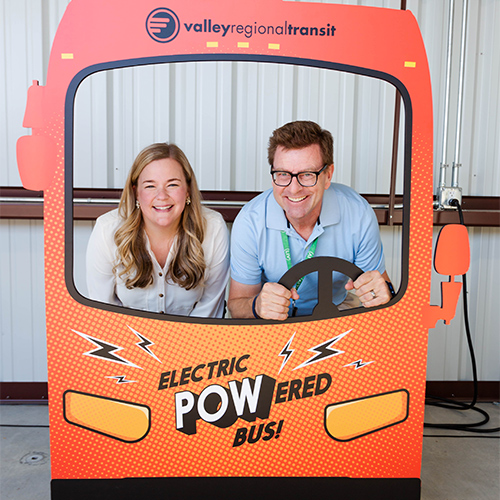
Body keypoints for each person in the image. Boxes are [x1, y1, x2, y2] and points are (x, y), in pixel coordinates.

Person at [228, 121, 394, 320]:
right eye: (282, 174)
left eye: (307, 175)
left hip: (336, 310)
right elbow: (237, 306)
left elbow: (382, 294)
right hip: (273, 319)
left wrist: (383, 293)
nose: (294, 189)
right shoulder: (249, 222)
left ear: (328, 175)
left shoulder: (358, 213)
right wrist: (257, 305)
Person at [86, 143, 230, 318]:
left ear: (188, 191)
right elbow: (103, 312)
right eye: (150, 186)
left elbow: (209, 309)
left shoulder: (213, 228)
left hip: (194, 341)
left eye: (173, 184)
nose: (162, 196)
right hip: (127, 341)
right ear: (136, 193)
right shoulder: (106, 230)